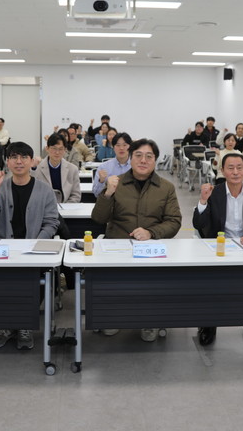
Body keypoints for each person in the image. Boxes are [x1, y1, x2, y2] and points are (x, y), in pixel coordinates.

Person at [91, 138, 182, 342]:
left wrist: (151, 232)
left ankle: (149, 320)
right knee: (114, 281)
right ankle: (112, 317)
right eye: (138, 155)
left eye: (149, 156)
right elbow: (98, 218)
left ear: (155, 160)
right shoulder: (116, 182)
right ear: (130, 158)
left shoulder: (166, 187)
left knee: (151, 281)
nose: (143, 160)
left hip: (151, 248)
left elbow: (174, 221)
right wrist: (108, 193)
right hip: (118, 246)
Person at [0, 142, 60, 351]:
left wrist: (36, 244)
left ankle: (24, 324)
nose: (19, 161)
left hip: (34, 250)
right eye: (14, 157)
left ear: (32, 162)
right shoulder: (1, 187)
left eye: (24, 157)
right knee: (0, 279)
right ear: (7, 162)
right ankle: (6, 325)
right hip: (5, 251)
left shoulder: (44, 190)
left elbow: (52, 222)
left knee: (34, 277)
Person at [193, 152, 243, 346]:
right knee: (211, 283)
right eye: (230, 168)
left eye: (239, 168)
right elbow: (198, 224)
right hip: (218, 247)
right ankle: (208, 325)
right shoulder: (214, 192)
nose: (235, 172)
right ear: (222, 171)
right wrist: (202, 201)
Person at [33, 133, 81, 203]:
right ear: (47, 149)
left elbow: (76, 195)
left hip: (66, 207)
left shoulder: (72, 169)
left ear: (65, 150)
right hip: (44, 206)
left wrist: (66, 207)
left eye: (60, 149)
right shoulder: (38, 168)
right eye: (54, 148)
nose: (57, 152)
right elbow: (34, 194)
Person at [92, 132, 132, 197]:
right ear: (113, 147)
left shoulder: (136, 166)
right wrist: (101, 181)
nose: (121, 148)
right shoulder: (104, 167)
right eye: (118, 145)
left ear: (130, 147)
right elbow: (96, 194)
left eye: (124, 145)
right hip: (111, 202)